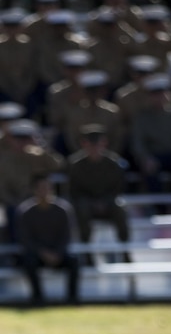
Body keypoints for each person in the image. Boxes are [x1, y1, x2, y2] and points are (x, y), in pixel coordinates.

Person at [67, 124, 131, 262]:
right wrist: (93, 202)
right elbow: (74, 191)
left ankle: (125, 249)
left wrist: (105, 201)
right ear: (84, 144)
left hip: (108, 201)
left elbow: (118, 189)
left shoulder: (113, 163)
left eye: (97, 144)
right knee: (81, 208)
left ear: (104, 143)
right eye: (91, 144)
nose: (94, 148)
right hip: (86, 202)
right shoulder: (76, 165)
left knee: (120, 208)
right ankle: (87, 251)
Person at [15, 173, 80, 305]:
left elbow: (67, 236)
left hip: (58, 253)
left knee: (74, 261)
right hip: (37, 254)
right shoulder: (25, 212)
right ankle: (37, 298)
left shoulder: (63, 210)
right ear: (34, 190)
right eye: (40, 188)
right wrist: (43, 253)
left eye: (47, 187)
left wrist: (58, 252)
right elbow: (25, 239)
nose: (44, 191)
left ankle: (72, 299)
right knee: (29, 262)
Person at [130, 71, 171, 197]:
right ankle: (159, 208)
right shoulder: (142, 118)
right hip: (153, 156)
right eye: (155, 94)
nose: (159, 98)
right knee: (150, 170)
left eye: (162, 94)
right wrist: (145, 158)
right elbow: (138, 142)